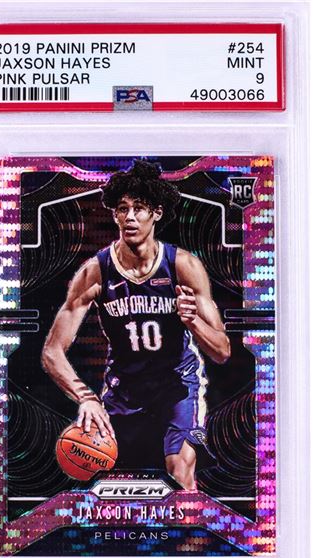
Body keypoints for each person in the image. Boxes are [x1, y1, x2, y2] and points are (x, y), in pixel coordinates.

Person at [41, 160, 230, 490]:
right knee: (97, 473)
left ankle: (189, 522)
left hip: (177, 388)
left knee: (179, 471)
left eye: (139, 208)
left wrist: (193, 322)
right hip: (123, 393)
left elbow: (222, 351)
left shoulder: (183, 266)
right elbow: (52, 351)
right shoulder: (95, 271)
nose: (129, 217)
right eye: (122, 209)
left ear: (156, 213)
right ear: (114, 215)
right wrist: (86, 397)